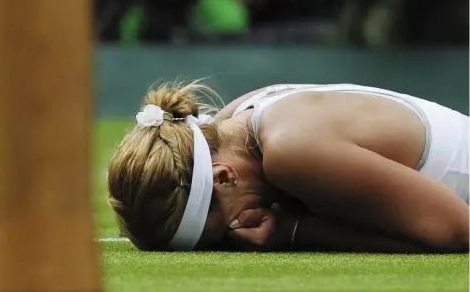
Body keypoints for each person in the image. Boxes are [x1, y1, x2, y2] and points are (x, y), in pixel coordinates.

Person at [107, 81, 469, 253]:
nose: (236, 234)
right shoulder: (237, 117)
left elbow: (458, 233)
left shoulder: (290, 152)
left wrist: (295, 232)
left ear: (223, 176)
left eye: (220, 235)